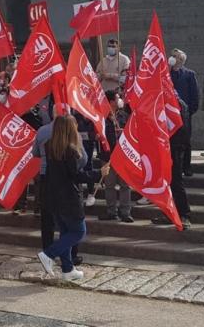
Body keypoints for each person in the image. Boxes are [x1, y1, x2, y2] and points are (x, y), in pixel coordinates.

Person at [36, 115, 106, 282]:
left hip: (54, 196)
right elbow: (76, 176)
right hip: (68, 198)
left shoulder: (49, 146)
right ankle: (48, 254)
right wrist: (98, 173)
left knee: (65, 232)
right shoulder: (70, 150)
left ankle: (68, 269)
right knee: (78, 231)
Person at [153, 96, 193, 228]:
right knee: (166, 182)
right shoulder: (165, 102)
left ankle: (184, 214)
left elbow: (181, 127)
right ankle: (169, 212)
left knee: (175, 181)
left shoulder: (177, 104)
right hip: (164, 147)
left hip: (174, 147)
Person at [97, 91, 133, 222]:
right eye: (118, 98)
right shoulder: (101, 116)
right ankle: (111, 211)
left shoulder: (124, 115)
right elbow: (93, 133)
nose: (120, 100)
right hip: (107, 156)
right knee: (109, 185)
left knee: (125, 185)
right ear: (111, 101)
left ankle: (125, 212)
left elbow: (132, 131)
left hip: (123, 156)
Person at [169, 49, 199, 176]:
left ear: (181, 60)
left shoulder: (189, 74)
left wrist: (190, 110)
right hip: (169, 113)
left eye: (176, 57)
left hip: (184, 113)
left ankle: (186, 167)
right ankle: (173, 167)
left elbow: (194, 94)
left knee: (185, 141)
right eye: (172, 56)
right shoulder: (165, 73)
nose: (173, 58)